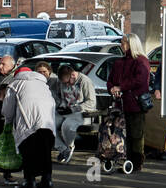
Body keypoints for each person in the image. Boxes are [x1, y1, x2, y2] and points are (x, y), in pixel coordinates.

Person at [2, 61, 57, 188]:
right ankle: (47, 180)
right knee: (45, 151)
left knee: (29, 151)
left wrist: (8, 123)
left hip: (29, 123)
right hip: (48, 122)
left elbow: (7, 110)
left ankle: (29, 181)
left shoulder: (15, 84)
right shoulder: (43, 84)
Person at [107, 34, 152, 172]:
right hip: (121, 104)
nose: (121, 45)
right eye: (121, 42)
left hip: (135, 103)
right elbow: (110, 80)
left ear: (132, 44)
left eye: (124, 42)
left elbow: (140, 80)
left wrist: (121, 87)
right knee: (121, 134)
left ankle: (136, 163)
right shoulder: (119, 63)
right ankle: (126, 160)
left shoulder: (141, 61)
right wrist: (112, 89)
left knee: (136, 135)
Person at [50, 63, 96, 164]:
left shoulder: (85, 81)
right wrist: (60, 106)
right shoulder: (61, 82)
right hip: (65, 111)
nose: (66, 85)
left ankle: (69, 146)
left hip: (81, 113)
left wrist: (73, 109)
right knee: (48, 124)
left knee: (67, 126)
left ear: (73, 75)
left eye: (67, 82)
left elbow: (91, 102)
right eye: (64, 83)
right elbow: (61, 98)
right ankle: (63, 149)